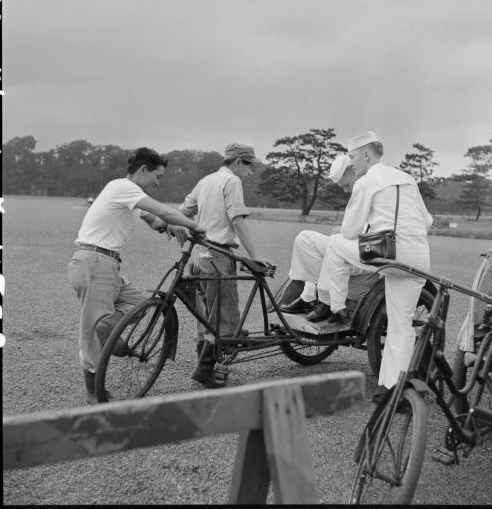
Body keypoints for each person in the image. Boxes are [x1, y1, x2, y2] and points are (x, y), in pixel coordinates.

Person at [68, 147, 206, 404]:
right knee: (91, 330)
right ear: (143, 170)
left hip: (104, 264)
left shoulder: (127, 195)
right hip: (96, 262)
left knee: (143, 303)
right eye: (158, 175)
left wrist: (174, 226)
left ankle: (108, 328)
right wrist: (196, 226)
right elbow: (163, 211)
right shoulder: (123, 187)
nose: (158, 181)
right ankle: (93, 394)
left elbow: (156, 220)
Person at [307, 131, 433, 400]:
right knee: (401, 325)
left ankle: (332, 304)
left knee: (335, 243)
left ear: (366, 155)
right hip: (419, 257)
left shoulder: (366, 182)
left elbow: (350, 231)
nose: (350, 164)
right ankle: (396, 391)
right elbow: (427, 222)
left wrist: (362, 229)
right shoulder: (407, 178)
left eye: (352, 157)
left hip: (385, 255)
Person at [179, 143, 272, 388]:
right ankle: (205, 370)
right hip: (219, 254)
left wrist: (173, 228)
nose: (251, 171)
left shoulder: (206, 180)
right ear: (238, 162)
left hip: (198, 254)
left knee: (204, 313)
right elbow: (238, 220)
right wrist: (254, 255)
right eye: (250, 165)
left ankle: (203, 361)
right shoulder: (232, 183)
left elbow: (183, 211)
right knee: (223, 316)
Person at [280, 154, 358, 314]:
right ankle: (309, 295)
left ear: (352, 172)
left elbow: (370, 229)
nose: (345, 190)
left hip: (360, 253)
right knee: (304, 239)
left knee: (323, 243)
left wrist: (344, 232)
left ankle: (315, 296)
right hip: (347, 246)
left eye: (346, 185)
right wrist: (343, 231)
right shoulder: (359, 190)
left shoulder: (368, 189)